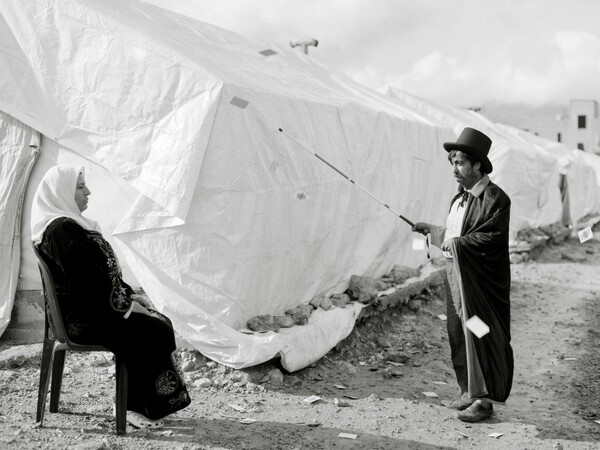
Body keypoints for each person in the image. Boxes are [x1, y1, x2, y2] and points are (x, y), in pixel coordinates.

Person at [31, 165, 191, 429]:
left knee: (156, 321)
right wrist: (126, 309)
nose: (88, 192)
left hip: (93, 311)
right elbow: (88, 286)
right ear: (61, 192)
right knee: (153, 328)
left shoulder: (69, 227)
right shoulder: (61, 231)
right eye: (80, 187)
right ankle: (133, 407)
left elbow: (103, 275)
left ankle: (147, 404)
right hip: (87, 319)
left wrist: (130, 296)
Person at [412, 127, 513, 422]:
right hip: (455, 279)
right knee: (458, 334)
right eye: (452, 163)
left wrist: (456, 243)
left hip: (479, 288)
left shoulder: (495, 199)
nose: (454, 169)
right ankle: (468, 390)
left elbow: (489, 238)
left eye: (460, 163)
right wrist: (430, 230)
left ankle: (484, 400)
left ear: (478, 164)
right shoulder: (459, 199)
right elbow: (455, 234)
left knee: (479, 332)